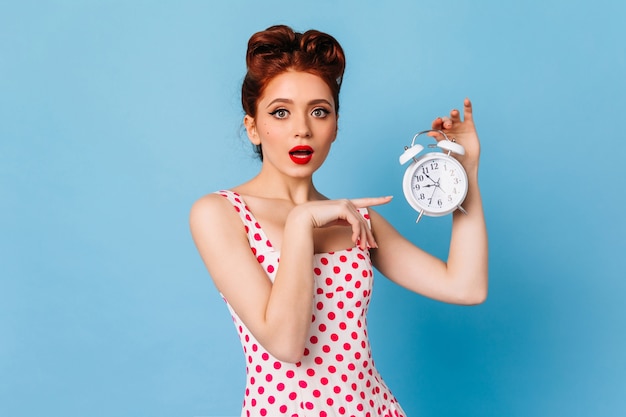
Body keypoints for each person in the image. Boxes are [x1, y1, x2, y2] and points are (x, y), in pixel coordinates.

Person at [190, 24, 488, 417]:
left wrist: (465, 175)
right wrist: (300, 224)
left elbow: (466, 287)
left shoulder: (355, 218)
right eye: (281, 112)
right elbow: (284, 342)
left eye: (319, 111)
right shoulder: (219, 213)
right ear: (253, 129)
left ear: (334, 126)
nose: (302, 129)